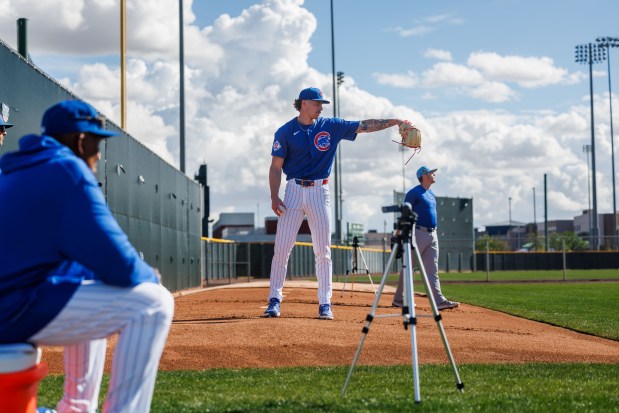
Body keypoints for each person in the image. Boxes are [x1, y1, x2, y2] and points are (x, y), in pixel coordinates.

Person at [0, 100, 174, 413]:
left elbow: (89, 262)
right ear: (81, 141)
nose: (98, 152)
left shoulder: (22, 169)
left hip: (12, 300)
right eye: (97, 142)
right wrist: (150, 275)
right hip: (10, 308)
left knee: (88, 282)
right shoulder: (67, 169)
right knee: (153, 302)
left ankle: (76, 408)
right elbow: (121, 265)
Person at [264, 87, 410, 320]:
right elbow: (275, 167)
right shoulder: (286, 131)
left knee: (323, 250)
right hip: (292, 190)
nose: (321, 107)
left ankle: (325, 303)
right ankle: (274, 300)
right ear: (303, 103)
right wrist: (274, 196)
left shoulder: (330, 125)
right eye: (317, 102)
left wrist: (394, 121)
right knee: (282, 248)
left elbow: (363, 125)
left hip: (319, 191)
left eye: (322, 103)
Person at [392, 166, 460, 311]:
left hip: (432, 234)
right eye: (431, 172)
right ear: (424, 175)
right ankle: (399, 299)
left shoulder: (431, 193)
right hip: (417, 233)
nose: (434, 174)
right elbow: (404, 214)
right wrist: (397, 235)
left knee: (432, 270)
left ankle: (439, 301)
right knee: (408, 267)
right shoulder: (414, 193)